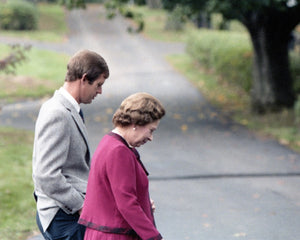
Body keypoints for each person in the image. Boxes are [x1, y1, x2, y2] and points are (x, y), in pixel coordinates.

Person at [32, 49, 109, 240]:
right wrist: (82, 206)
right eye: (98, 85)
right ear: (84, 79)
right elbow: (46, 175)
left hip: (68, 215)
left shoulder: (69, 109)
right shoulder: (57, 113)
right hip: (63, 217)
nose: (100, 91)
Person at [78, 92, 166, 240]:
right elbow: (126, 203)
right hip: (114, 236)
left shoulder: (109, 142)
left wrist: (143, 203)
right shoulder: (119, 151)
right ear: (136, 124)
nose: (151, 137)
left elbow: (112, 194)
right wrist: (153, 237)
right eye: (151, 130)